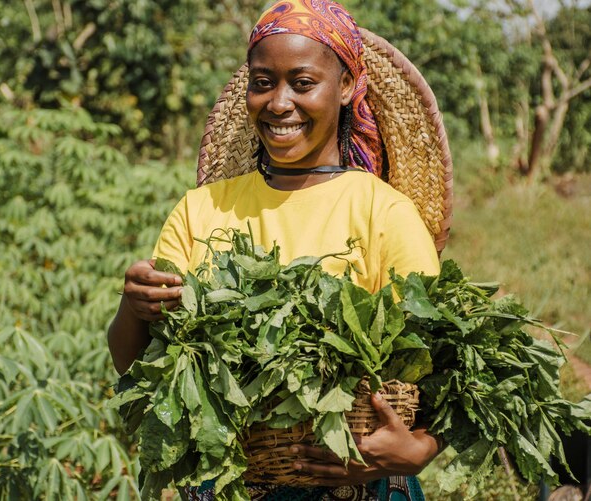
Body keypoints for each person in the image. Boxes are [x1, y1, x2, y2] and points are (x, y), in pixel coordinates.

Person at [108, 1, 451, 499]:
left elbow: (444, 364)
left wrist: (422, 448)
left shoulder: (384, 213)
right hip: (227, 484)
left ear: (348, 86)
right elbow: (137, 364)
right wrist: (134, 307)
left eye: (303, 83)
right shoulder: (201, 209)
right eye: (263, 82)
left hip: (356, 484)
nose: (278, 103)